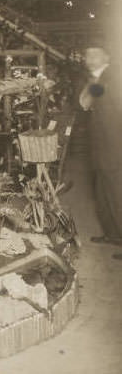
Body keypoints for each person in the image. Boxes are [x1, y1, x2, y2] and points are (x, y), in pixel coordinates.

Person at [79, 43, 122, 259]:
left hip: (115, 144)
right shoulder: (98, 78)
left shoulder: (113, 76)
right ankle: (113, 234)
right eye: (87, 54)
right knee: (104, 192)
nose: (88, 58)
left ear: (106, 56)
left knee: (117, 191)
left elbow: (86, 101)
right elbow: (85, 104)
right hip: (102, 145)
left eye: (94, 54)